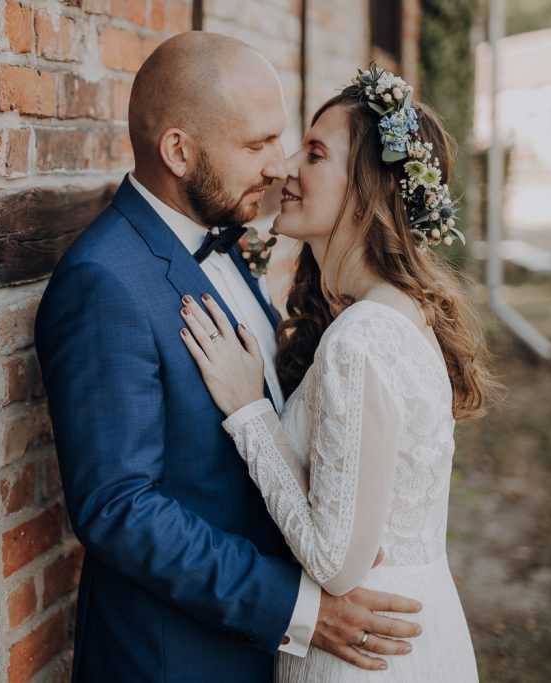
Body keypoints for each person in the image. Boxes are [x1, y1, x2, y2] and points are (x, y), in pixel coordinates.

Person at [34, 35, 422, 682]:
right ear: (179, 151)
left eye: (282, 140)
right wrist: (303, 608)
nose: (280, 166)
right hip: (177, 657)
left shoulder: (227, 241)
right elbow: (119, 508)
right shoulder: (103, 281)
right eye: (256, 145)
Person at [178, 65, 495, 681]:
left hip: (365, 653)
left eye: (315, 153)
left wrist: (249, 413)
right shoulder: (399, 314)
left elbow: (336, 561)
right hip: (412, 627)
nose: (286, 167)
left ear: (367, 190)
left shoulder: (362, 337)